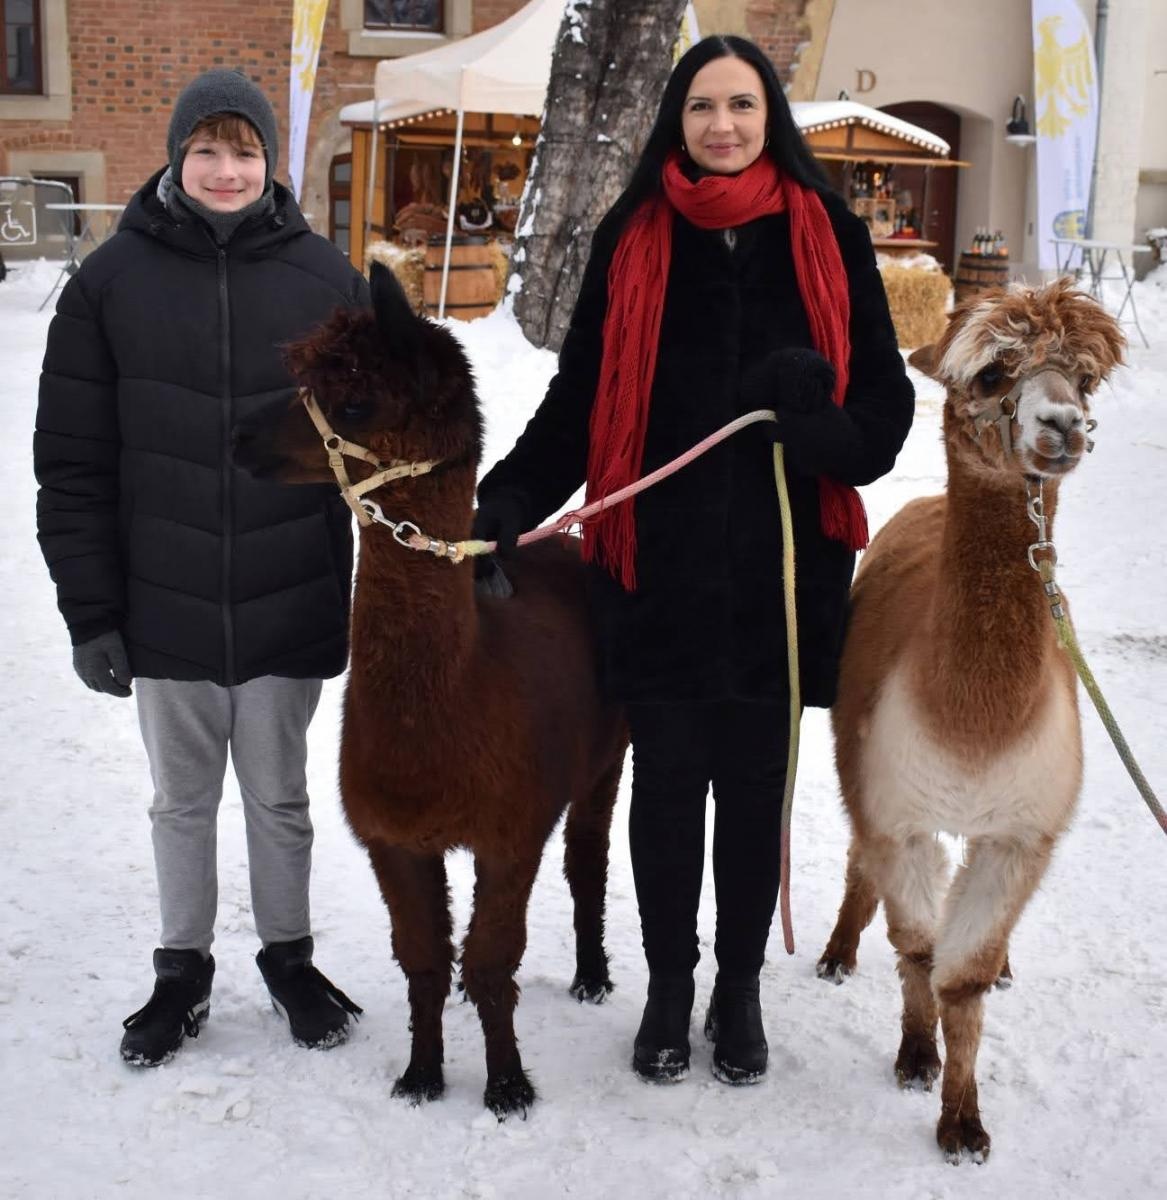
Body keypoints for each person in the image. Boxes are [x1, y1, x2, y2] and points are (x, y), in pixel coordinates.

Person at [472, 36, 914, 1085]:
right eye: (703, 106)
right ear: (676, 116)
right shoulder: (633, 236)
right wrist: (511, 495)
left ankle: (740, 988)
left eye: (743, 106)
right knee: (666, 789)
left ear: (772, 119)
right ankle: (670, 987)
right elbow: (580, 401)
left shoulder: (828, 235)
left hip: (781, 577)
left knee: (756, 793)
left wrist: (810, 424)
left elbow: (884, 415)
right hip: (655, 572)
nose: (723, 125)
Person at [34, 68, 369, 1067]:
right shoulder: (107, 284)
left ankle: (288, 960)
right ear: (178, 157)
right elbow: (74, 463)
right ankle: (181, 970)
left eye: (247, 151)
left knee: (279, 794)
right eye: (209, 150)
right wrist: (91, 611)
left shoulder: (327, 283)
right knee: (180, 799)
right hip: (162, 600)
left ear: (272, 163)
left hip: (288, 590)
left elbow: (375, 451)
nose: (228, 169)